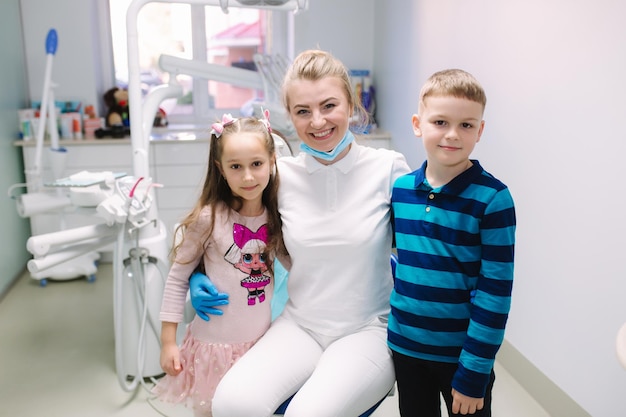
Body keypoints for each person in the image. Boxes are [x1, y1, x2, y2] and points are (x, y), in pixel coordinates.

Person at [190, 49, 411, 417]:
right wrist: (197, 277)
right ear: (289, 116)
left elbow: (424, 248)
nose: (318, 121)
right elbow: (230, 230)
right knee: (230, 403)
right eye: (303, 111)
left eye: (329, 105)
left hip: (367, 329)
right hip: (301, 324)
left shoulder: (388, 169)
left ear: (351, 104)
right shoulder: (280, 177)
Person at [388, 69, 516, 417]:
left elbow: (496, 292)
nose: (452, 135)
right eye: (440, 122)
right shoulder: (400, 190)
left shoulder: (493, 198)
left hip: (461, 357)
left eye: (466, 125)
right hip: (406, 348)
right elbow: (402, 258)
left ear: (480, 130)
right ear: (418, 124)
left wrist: (475, 371)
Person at [152, 113, 283, 417]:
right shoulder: (209, 219)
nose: (248, 177)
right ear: (220, 169)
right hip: (214, 349)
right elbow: (176, 278)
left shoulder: (278, 216)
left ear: (272, 160)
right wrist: (168, 342)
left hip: (261, 345)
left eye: (256, 164)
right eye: (236, 167)